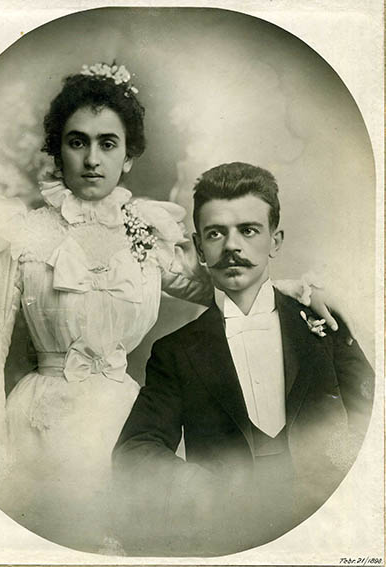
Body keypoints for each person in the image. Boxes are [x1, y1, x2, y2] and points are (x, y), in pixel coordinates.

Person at [0, 64, 348, 552]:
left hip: (122, 420)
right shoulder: (18, 234)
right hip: (39, 426)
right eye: (77, 142)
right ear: (58, 151)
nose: (92, 159)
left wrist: (294, 289)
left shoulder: (144, 233)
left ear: (128, 156)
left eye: (108, 144)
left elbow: (216, 282)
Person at [112, 162, 374, 556]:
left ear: (275, 241)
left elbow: (374, 420)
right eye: (216, 233)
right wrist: (202, 488)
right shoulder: (176, 352)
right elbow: (135, 449)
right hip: (228, 538)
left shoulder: (323, 326)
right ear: (200, 247)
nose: (232, 246)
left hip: (328, 531)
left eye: (249, 230)